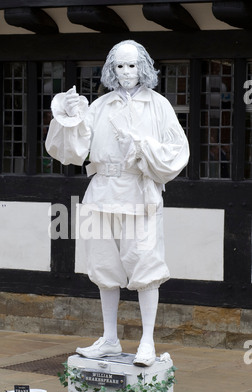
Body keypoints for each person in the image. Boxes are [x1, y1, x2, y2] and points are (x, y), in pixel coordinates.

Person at [45, 40, 189, 366]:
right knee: (103, 265)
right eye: (120, 66)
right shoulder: (100, 106)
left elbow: (177, 152)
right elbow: (72, 151)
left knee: (145, 263)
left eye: (132, 65)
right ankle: (110, 339)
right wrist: (68, 117)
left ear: (144, 67)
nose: (126, 72)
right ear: (112, 68)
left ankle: (148, 342)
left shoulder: (158, 106)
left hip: (140, 193)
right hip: (101, 193)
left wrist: (139, 145)